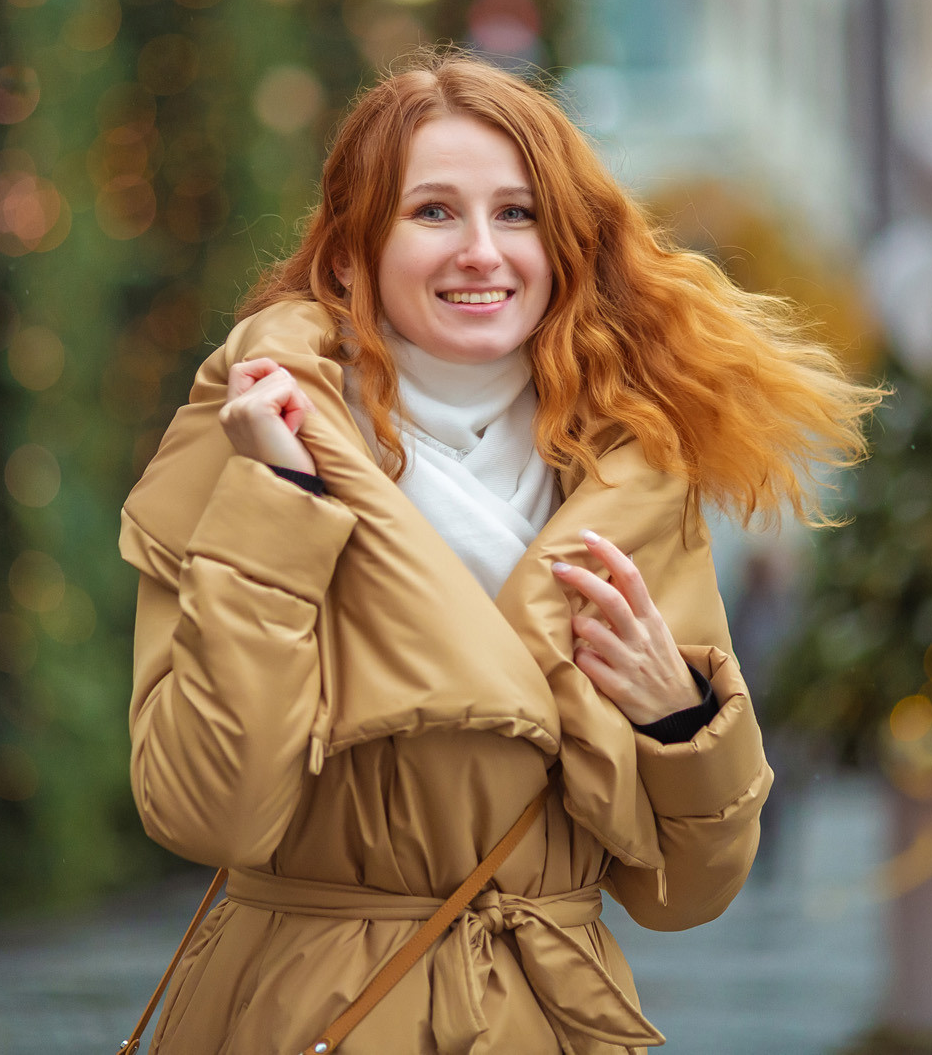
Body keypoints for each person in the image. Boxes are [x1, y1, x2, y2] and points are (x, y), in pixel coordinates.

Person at [119, 52, 876, 1053]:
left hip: (546, 1015)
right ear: (349, 256)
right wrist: (283, 502)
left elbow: (689, 889)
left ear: (561, 247)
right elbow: (208, 814)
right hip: (309, 1010)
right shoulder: (255, 434)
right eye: (433, 211)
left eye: (517, 214)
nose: (481, 251)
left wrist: (677, 713)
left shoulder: (633, 481)